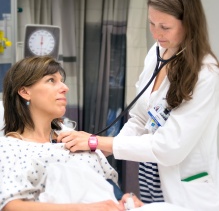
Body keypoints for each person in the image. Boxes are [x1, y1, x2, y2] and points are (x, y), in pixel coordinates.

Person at [56, 0, 219, 210]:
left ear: (188, 23)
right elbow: (141, 117)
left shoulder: (206, 73)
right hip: (151, 176)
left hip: (186, 187)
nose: (156, 33)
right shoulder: (157, 53)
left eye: (165, 27)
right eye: (151, 23)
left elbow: (170, 147)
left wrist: (98, 142)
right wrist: (105, 151)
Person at [0, 56, 144, 211]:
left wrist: (124, 199)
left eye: (61, 80)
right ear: (25, 91)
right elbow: (11, 206)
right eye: (51, 80)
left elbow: (107, 186)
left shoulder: (76, 140)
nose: (64, 87)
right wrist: (86, 209)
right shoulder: (10, 147)